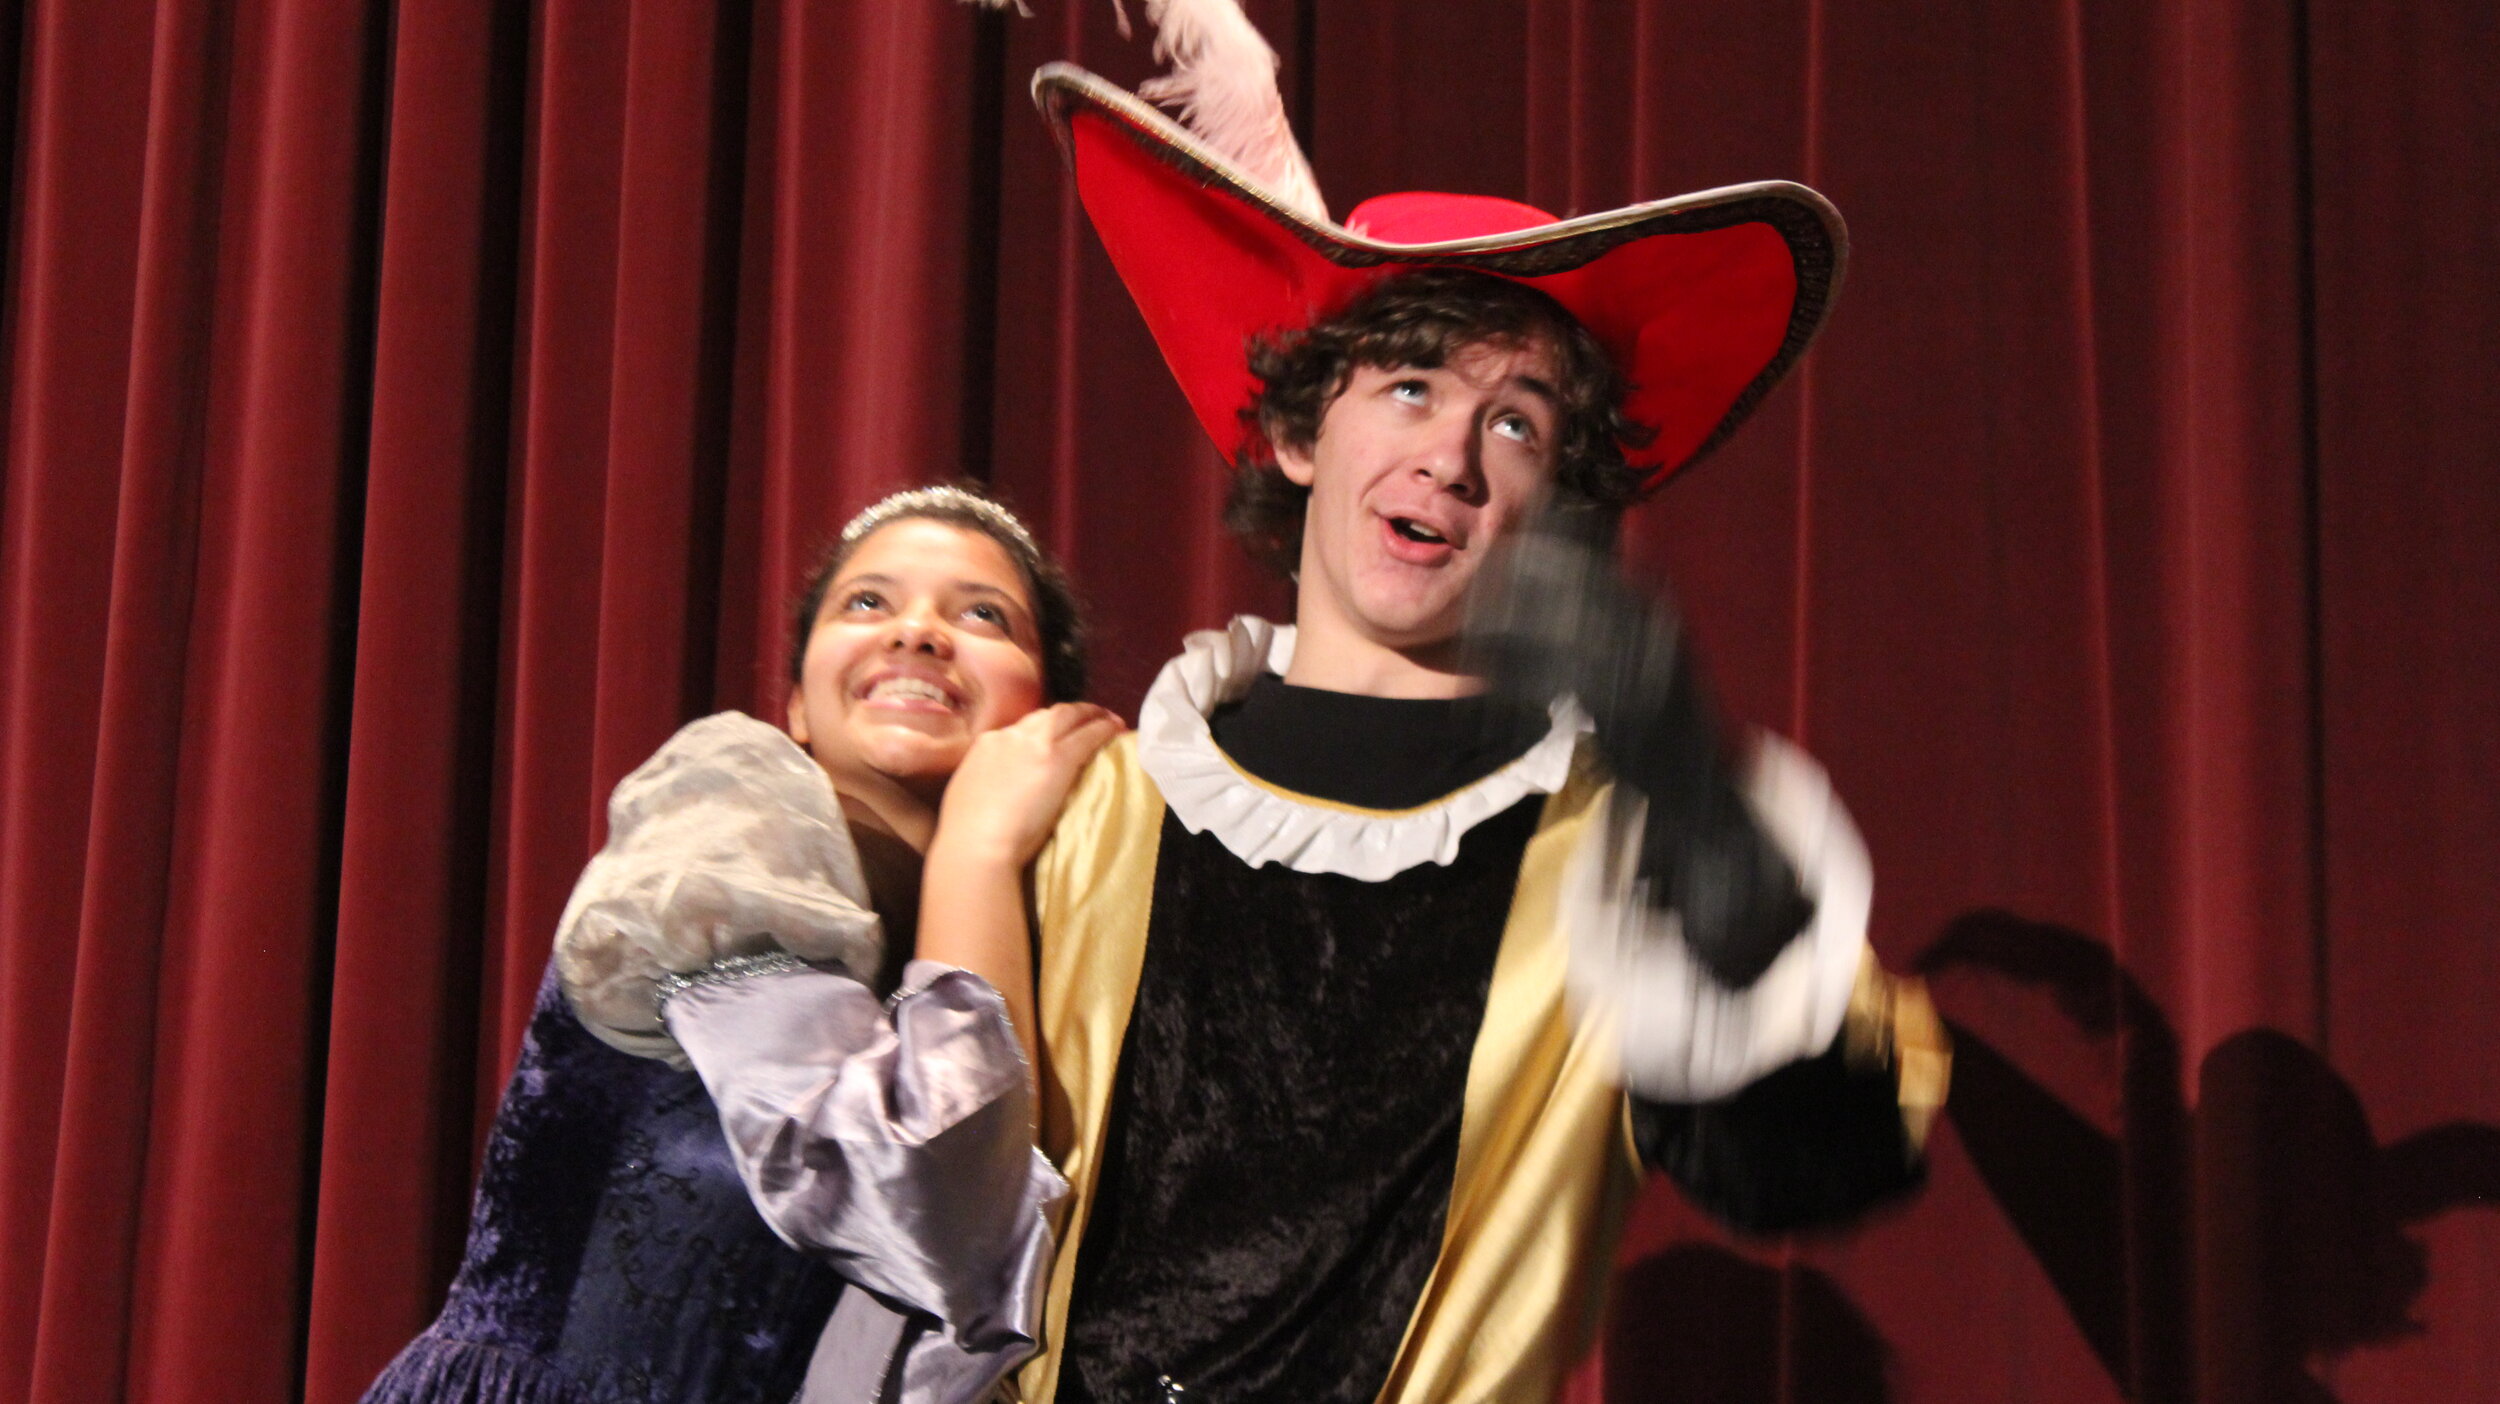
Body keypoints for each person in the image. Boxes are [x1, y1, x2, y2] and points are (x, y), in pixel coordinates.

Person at [623, 65, 1950, 1404]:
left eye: (1517, 425)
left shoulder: (1610, 858)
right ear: (1304, 431)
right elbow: (888, 1215)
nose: (1452, 460)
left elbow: (1811, 1161)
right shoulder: (1083, 813)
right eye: (1415, 388)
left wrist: (1697, 799)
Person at [361, 485, 1118, 1404]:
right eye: (868, 602)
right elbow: (924, 1194)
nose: (917, 633)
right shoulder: (735, 819)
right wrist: (978, 849)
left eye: (983, 614)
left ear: (1048, 720)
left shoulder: (1040, 954)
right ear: (796, 703)